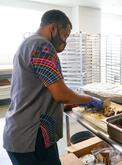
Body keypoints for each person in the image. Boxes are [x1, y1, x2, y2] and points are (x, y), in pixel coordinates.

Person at [3, 9, 104, 165]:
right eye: (65, 35)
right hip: (32, 137)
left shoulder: (27, 44)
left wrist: (69, 103)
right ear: (53, 28)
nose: (65, 41)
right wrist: (88, 99)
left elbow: (36, 91)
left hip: (18, 133)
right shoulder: (42, 46)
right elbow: (61, 94)